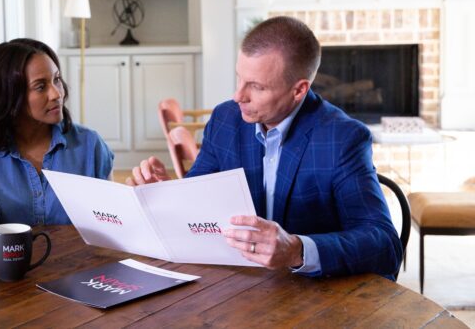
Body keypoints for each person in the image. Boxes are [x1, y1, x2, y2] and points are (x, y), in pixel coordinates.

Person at [128, 16, 402, 279]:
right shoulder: (225, 120)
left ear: (299, 90)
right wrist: (165, 193)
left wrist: (296, 250)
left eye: (256, 87)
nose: (238, 96)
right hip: (237, 283)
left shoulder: (342, 138)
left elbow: (384, 245)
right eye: (239, 78)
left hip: (312, 292)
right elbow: (198, 200)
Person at [0, 38, 113, 225]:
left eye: (57, 79)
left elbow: (112, 225)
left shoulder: (90, 145)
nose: (57, 94)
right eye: (40, 86)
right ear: (8, 95)